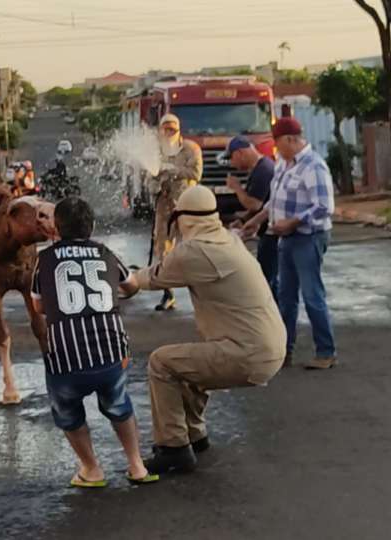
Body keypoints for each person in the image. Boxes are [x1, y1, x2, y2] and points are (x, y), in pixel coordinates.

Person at [121, 185, 287, 474]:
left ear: (183, 218)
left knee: (161, 363)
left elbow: (141, 281)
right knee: (187, 363)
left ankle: (173, 448)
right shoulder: (228, 240)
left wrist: (113, 281)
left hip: (247, 354)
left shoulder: (195, 252)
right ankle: (194, 435)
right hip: (270, 347)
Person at [32, 197, 159, 488]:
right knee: (118, 404)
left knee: (68, 411)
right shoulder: (106, 252)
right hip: (112, 353)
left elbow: (39, 306)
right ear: (91, 227)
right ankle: (137, 466)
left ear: (57, 228)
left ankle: (91, 469)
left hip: (66, 359)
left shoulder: (44, 260)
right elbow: (131, 286)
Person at [242, 117, 337, 369]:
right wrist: (259, 219)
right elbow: (275, 201)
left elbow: (324, 207)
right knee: (286, 297)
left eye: (278, 142)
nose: (275, 148)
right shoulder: (284, 165)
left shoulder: (313, 166)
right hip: (285, 237)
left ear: (291, 140)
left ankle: (325, 352)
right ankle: (284, 351)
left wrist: (294, 222)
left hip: (308, 237)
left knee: (311, 294)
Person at [149, 113, 203, 312]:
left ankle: (201, 295)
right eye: (165, 129)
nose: (169, 132)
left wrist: (173, 170)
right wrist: (156, 186)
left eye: (172, 129)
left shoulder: (190, 149)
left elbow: (195, 174)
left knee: (192, 249)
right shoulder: (155, 152)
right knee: (163, 250)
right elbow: (150, 179)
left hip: (187, 206)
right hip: (164, 208)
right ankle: (168, 293)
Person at [221, 135, 278, 299]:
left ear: (240, 153)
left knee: (268, 280)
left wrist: (237, 188)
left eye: (232, 158)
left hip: (272, 233)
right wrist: (244, 220)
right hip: (266, 231)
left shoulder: (263, 170)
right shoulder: (259, 168)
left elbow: (254, 204)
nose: (232, 163)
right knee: (269, 278)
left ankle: (274, 318)